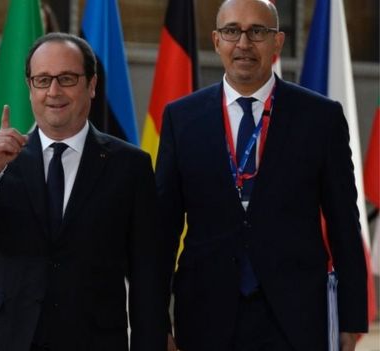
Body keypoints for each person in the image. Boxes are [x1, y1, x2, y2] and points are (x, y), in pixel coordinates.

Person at [156, 1, 369, 350]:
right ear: (216, 40)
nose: (243, 43)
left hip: (295, 317)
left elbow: (345, 224)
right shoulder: (182, 119)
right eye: (231, 31)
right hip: (204, 314)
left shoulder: (320, 118)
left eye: (257, 31)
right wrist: (157, 321)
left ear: (278, 43)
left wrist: (351, 320)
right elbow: (162, 232)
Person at [0, 32, 170, 351]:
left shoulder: (130, 166)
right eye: (42, 80)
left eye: (66, 78)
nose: (53, 91)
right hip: (8, 338)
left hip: (93, 339)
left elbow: (147, 271)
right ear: (30, 87)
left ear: (91, 85)